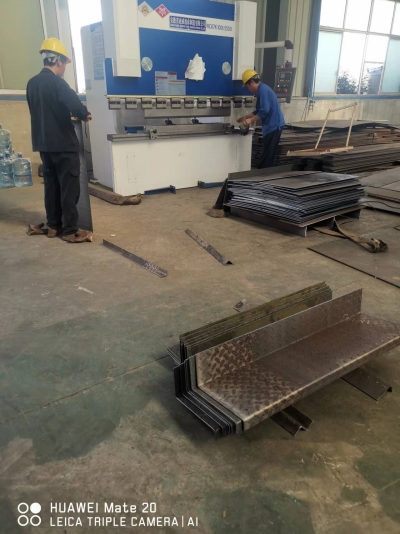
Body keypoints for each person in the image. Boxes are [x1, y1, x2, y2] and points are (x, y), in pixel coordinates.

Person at [26, 38, 93, 243]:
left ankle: (54, 226)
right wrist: (84, 114)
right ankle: (70, 230)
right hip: (64, 144)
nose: (64, 69)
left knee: (51, 186)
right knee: (69, 188)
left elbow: (42, 111)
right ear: (58, 61)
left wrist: (65, 116)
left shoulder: (32, 83)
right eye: (64, 64)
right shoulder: (58, 83)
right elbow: (74, 104)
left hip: (44, 145)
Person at [237, 69, 285, 168]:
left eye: (247, 86)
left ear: (251, 82)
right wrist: (245, 117)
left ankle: (264, 175)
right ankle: (265, 173)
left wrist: (250, 120)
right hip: (272, 126)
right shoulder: (261, 90)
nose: (248, 89)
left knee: (268, 156)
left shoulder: (263, 90)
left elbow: (264, 111)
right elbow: (259, 110)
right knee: (268, 154)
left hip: (274, 126)